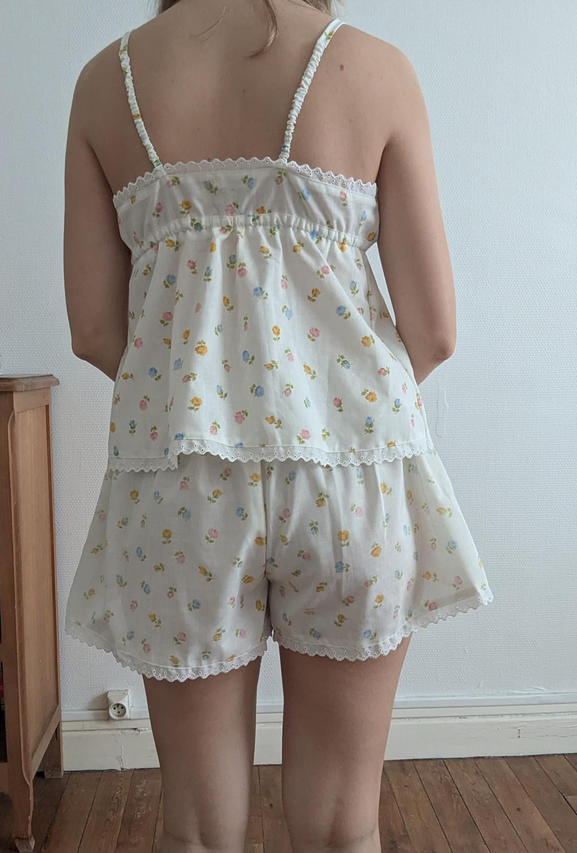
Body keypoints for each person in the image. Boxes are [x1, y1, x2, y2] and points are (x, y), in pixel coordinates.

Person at [63, 1, 494, 851]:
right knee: (341, 828)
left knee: (195, 832)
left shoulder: (107, 82)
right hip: (352, 477)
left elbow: (95, 330)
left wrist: (202, 400)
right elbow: (436, 330)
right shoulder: (375, 68)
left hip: (182, 482)